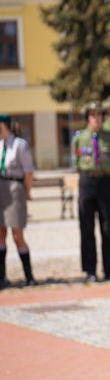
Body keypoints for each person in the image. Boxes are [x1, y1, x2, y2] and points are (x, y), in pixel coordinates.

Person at [72, 102, 110, 282]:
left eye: (99, 115)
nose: (96, 118)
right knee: (86, 227)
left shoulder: (109, 137)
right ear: (88, 118)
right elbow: (76, 162)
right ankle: (90, 270)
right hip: (87, 181)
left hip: (105, 182)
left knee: (107, 227)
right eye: (92, 115)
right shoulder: (80, 138)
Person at [0, 114, 36, 288]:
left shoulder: (19, 145)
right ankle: (2, 276)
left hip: (15, 189)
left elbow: (28, 172)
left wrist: (27, 191)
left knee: (17, 234)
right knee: (0, 234)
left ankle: (29, 276)